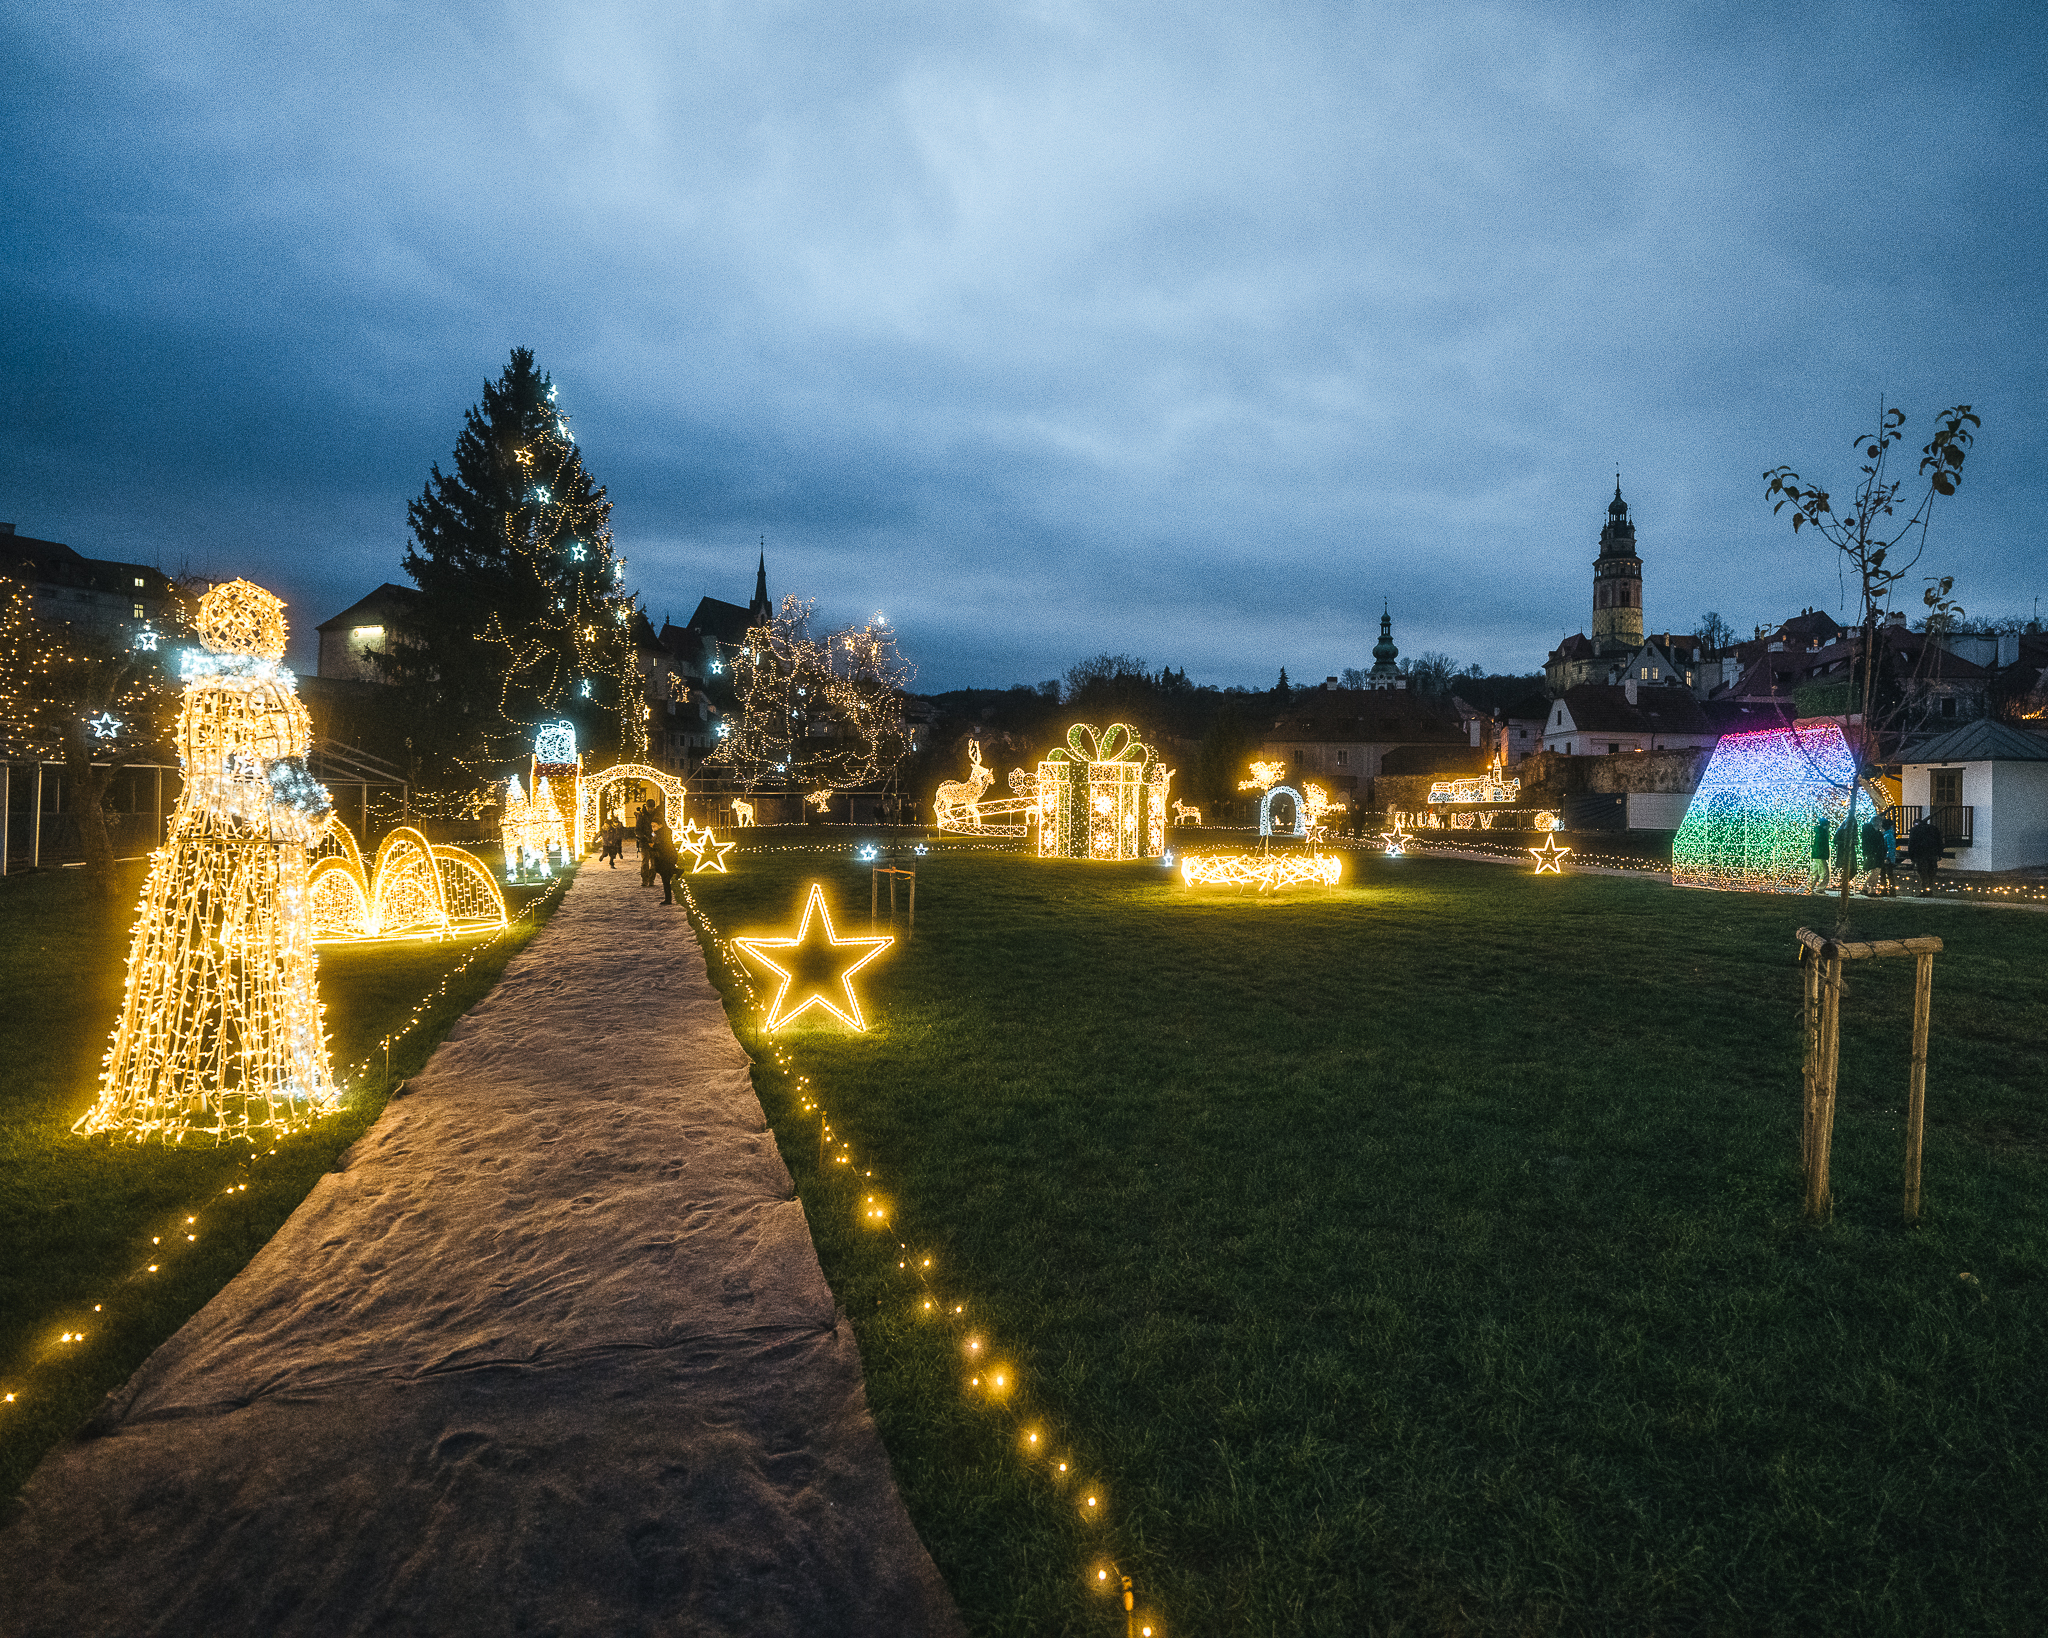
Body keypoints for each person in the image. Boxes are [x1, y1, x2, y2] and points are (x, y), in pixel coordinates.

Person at [1906, 813, 1945, 892]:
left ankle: (1924, 889)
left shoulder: (1915, 831)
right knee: (1931, 872)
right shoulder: (1933, 829)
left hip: (1920, 854)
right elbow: (1939, 842)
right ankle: (1929, 888)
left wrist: (1912, 857)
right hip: (1932, 854)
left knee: (1923, 872)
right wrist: (1939, 853)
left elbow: (1911, 844)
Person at [647, 819, 681, 905]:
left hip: (666, 858)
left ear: (660, 825)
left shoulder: (661, 834)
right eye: (652, 826)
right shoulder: (662, 833)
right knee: (666, 876)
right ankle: (677, 871)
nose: (653, 828)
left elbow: (663, 846)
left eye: (654, 826)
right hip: (666, 857)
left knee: (665, 879)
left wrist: (653, 846)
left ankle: (668, 899)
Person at [1861, 815, 1887, 898]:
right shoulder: (1872, 833)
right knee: (1875, 873)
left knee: (1874, 873)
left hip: (1875, 854)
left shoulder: (1873, 832)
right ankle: (1871, 890)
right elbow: (1874, 844)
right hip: (1874, 854)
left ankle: (1865, 889)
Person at [1807, 816, 1831, 894]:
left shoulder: (1819, 832)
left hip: (1817, 855)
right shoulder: (1823, 833)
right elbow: (1821, 845)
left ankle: (1809, 887)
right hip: (1820, 855)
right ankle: (1820, 889)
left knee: (1815, 872)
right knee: (1825, 872)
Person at [1879, 815, 1899, 897]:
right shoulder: (1887, 834)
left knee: (1888, 874)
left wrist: (1888, 857)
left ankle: (1891, 891)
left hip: (1887, 859)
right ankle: (1886, 890)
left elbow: (1891, 847)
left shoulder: (1889, 835)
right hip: (1886, 857)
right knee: (1885, 874)